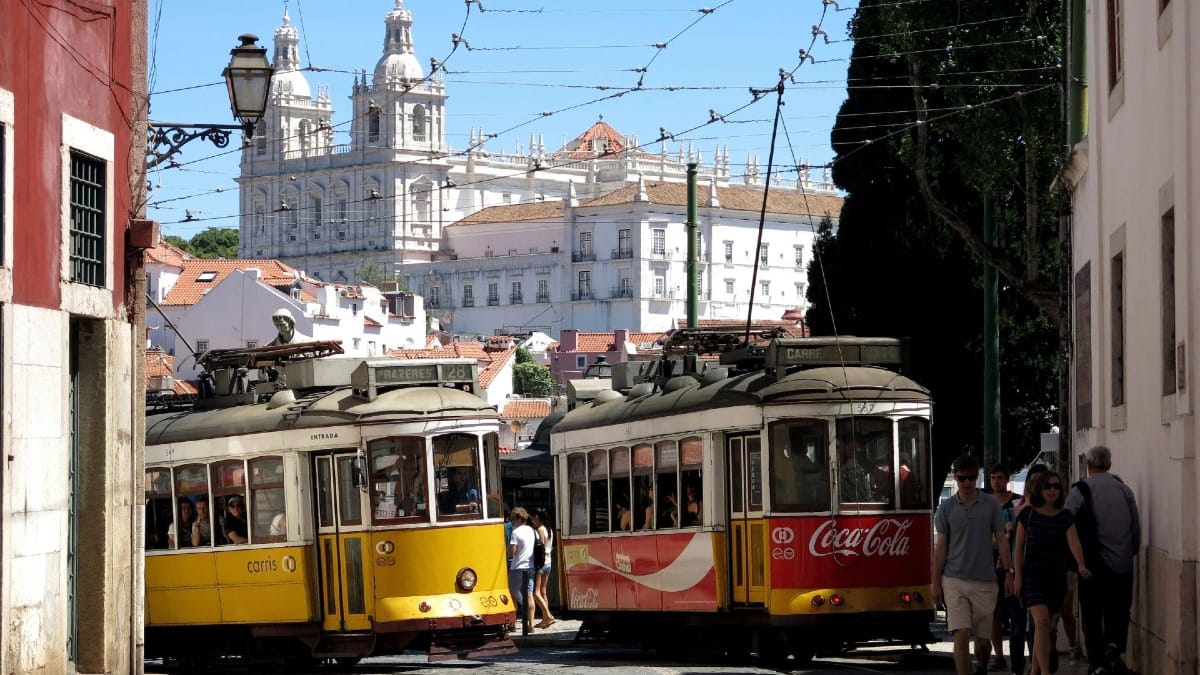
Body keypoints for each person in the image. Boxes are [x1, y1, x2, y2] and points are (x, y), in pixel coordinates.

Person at [934, 455, 1013, 675]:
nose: (967, 482)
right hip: (953, 579)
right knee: (961, 633)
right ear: (956, 477)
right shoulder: (946, 508)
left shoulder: (991, 505)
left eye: (971, 478)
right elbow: (940, 548)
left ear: (977, 478)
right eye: (962, 478)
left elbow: (1002, 539)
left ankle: (982, 666)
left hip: (985, 581)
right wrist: (935, 582)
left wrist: (1009, 572)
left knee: (983, 643)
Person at [1066, 445, 1140, 675]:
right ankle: (1114, 646)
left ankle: (1097, 662)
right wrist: (1129, 553)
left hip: (1091, 567)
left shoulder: (1079, 491)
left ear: (1088, 465)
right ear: (1109, 464)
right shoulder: (1124, 490)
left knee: (1091, 614)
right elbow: (1135, 530)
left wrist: (1075, 561)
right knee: (1119, 610)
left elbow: (1066, 524)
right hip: (1121, 565)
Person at [1014, 470, 1091, 675]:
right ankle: (1045, 672)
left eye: (1056, 486)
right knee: (1041, 621)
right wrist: (1017, 578)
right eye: (1047, 486)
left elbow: (1074, 542)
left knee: (1045, 628)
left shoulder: (1065, 516)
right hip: (1033, 576)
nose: (1052, 490)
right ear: (1040, 488)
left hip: (1056, 576)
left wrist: (1081, 564)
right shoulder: (1027, 514)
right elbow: (1019, 548)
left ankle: (1035, 671)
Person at [986, 463, 1021, 673]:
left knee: (1015, 611)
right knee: (994, 613)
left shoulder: (1017, 502)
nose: (996, 481)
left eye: (1000, 477)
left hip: (1013, 564)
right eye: (992, 478)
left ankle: (1016, 656)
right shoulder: (986, 503)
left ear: (1007, 479)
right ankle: (998, 655)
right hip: (989, 565)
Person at [507, 507, 536, 635]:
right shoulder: (531, 530)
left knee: (514, 594)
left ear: (519, 519)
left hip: (517, 567)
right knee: (529, 594)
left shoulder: (516, 533)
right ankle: (531, 624)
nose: (511, 521)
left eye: (513, 518)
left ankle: (512, 624)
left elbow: (512, 552)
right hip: (530, 566)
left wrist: (508, 548)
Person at [530, 508, 557, 629]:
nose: (531, 520)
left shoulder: (540, 529)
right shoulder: (549, 529)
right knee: (543, 591)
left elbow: (539, 547)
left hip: (541, 563)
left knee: (535, 593)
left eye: (532, 518)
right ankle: (545, 619)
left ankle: (548, 616)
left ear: (537, 517)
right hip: (548, 562)